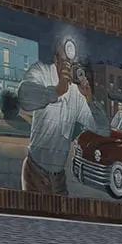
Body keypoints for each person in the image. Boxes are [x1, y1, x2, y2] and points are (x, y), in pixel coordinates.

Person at [15, 34, 110, 194]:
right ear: (56, 60)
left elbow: (103, 130)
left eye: (73, 63)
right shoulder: (42, 72)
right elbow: (24, 97)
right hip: (35, 171)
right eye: (65, 62)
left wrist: (90, 100)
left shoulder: (77, 93)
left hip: (59, 178)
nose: (69, 67)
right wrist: (57, 91)